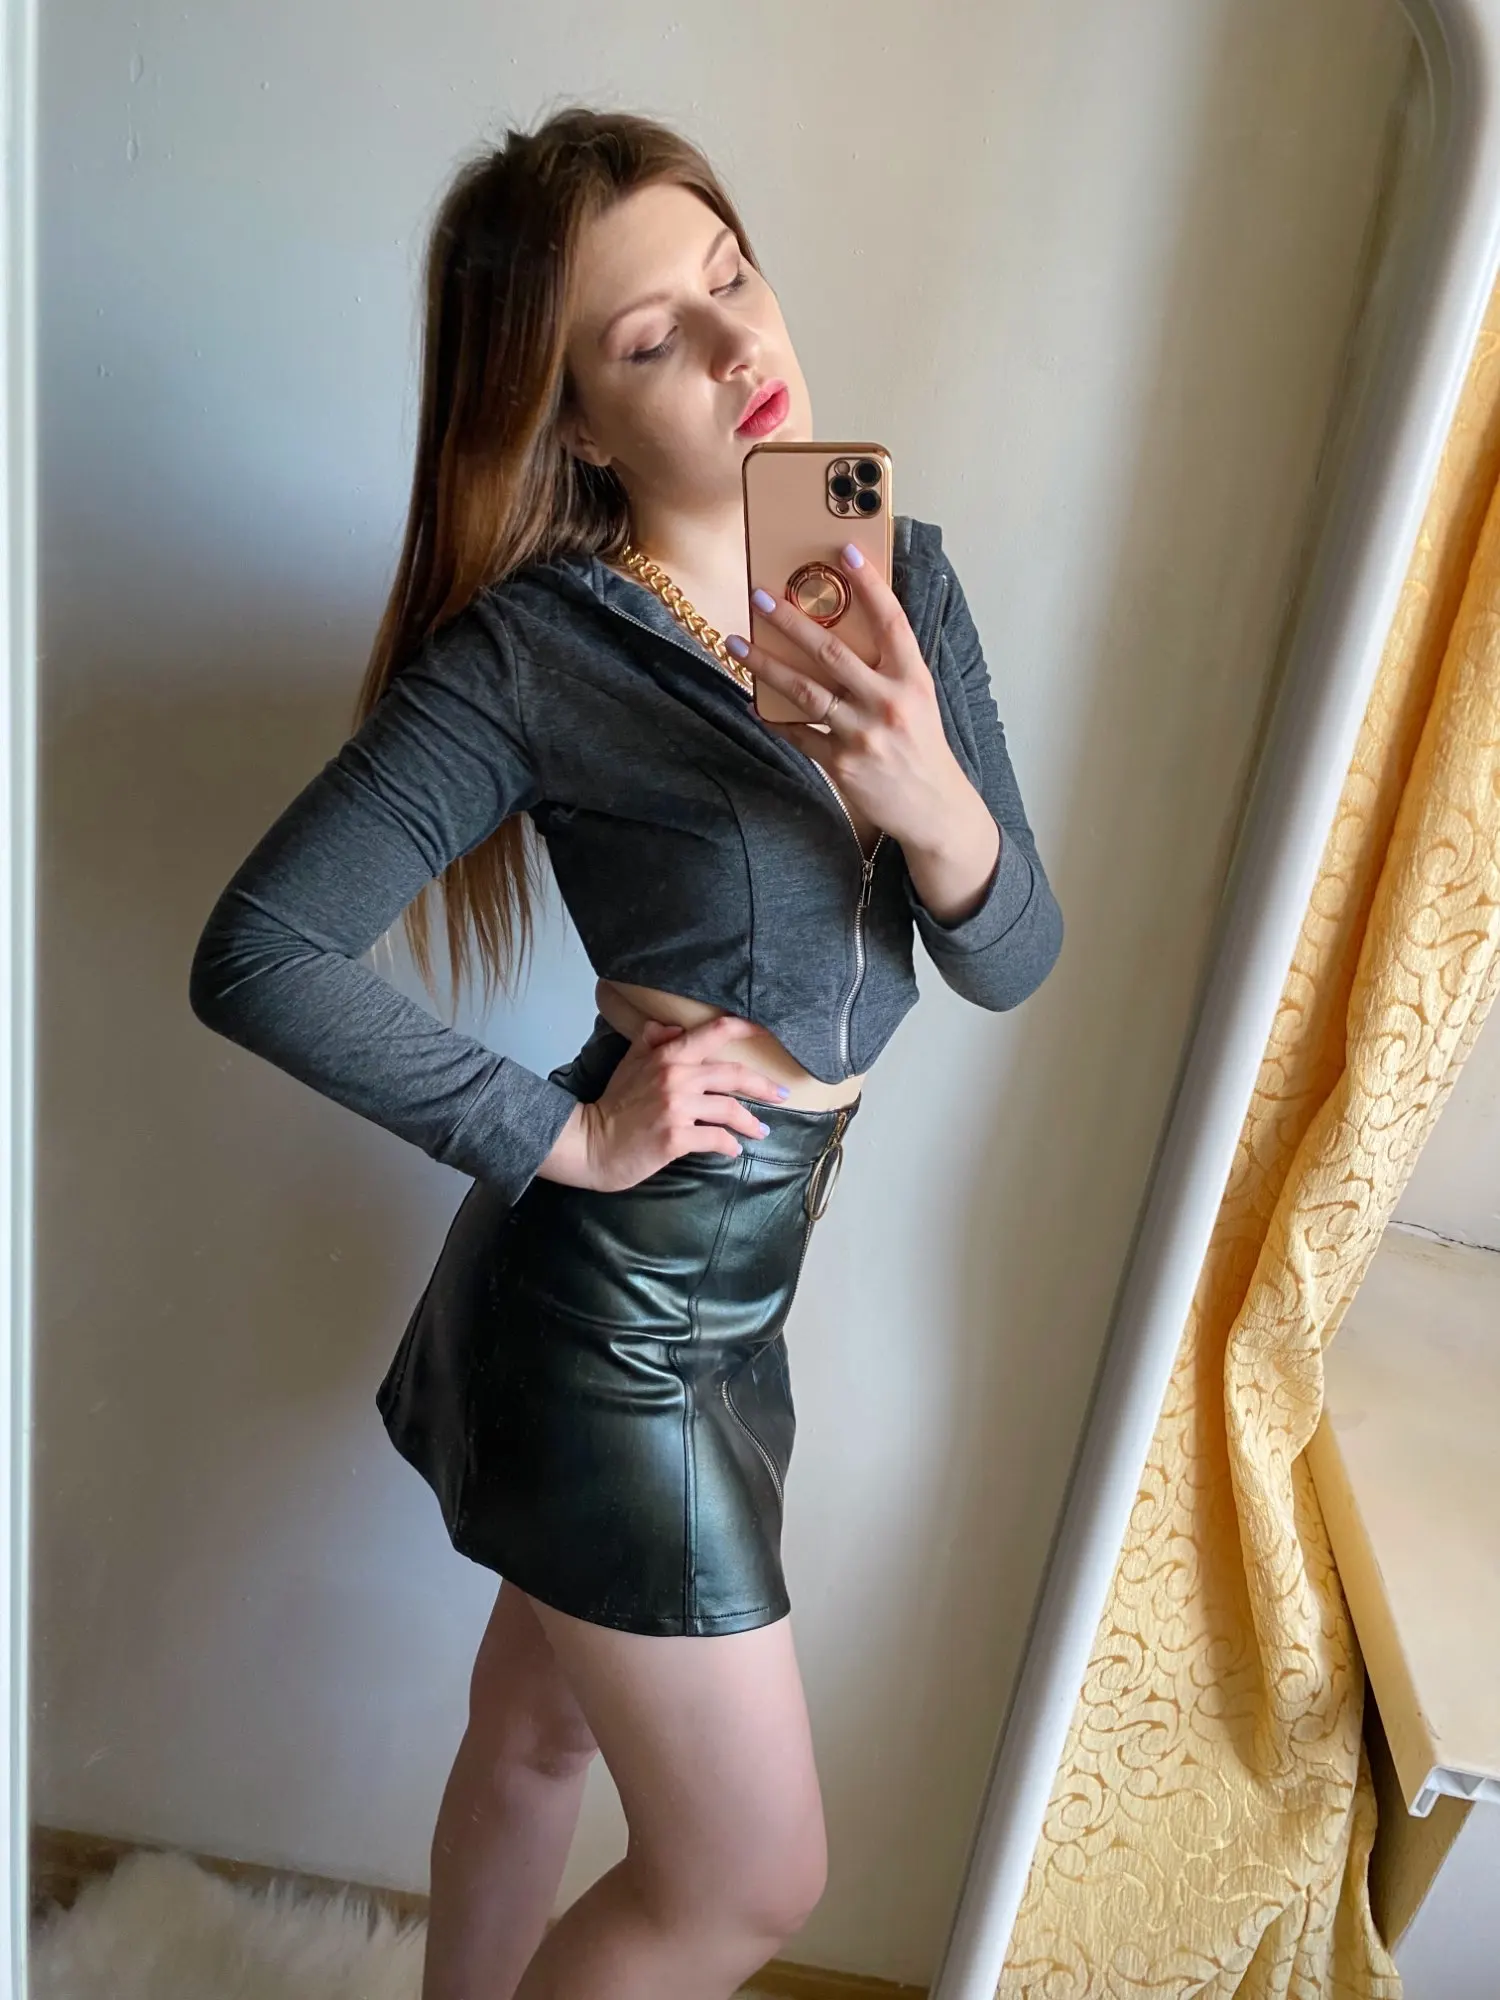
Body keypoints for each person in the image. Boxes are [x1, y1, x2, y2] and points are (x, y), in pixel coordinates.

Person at [188, 103, 1062, 2000]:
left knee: (535, 1740)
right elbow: (258, 953)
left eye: (733, 275)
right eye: (656, 337)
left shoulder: (891, 571)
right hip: (612, 1304)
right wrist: (561, 1134)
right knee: (752, 1874)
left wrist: (930, 794)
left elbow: (1015, 957)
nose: (742, 347)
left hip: (744, 1298)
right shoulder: (539, 654)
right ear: (575, 421)